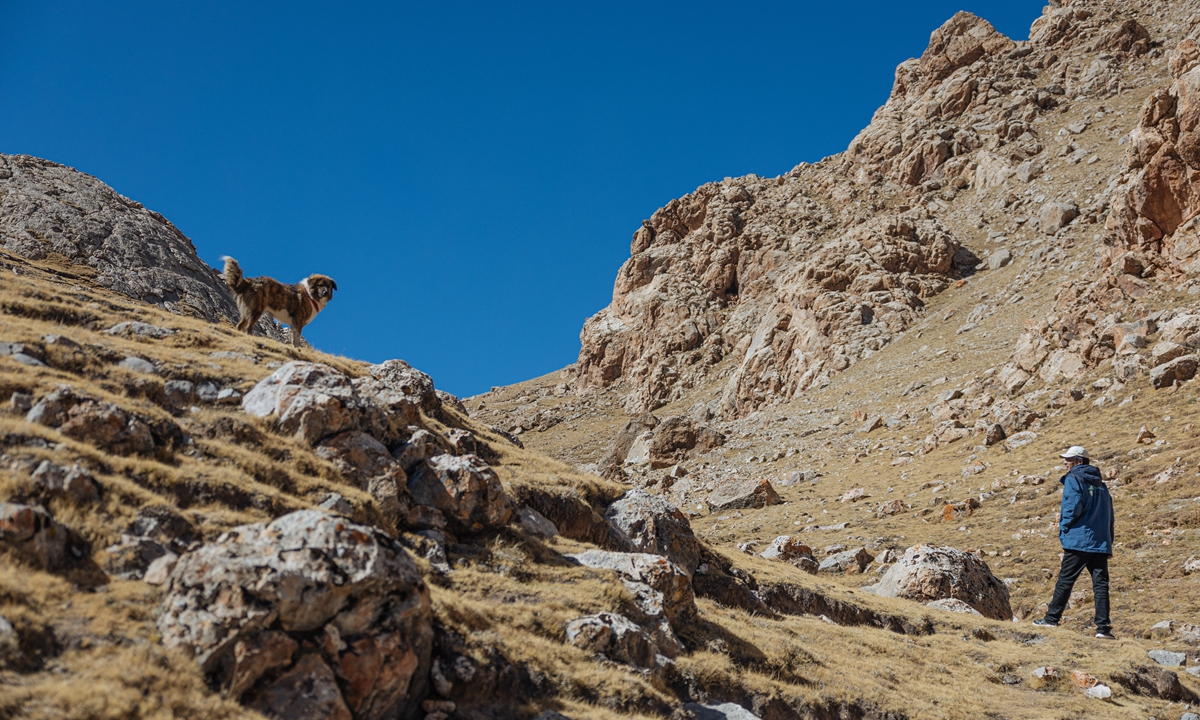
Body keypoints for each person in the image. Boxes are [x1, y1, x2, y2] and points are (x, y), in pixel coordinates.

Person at [1033, 446, 1116, 638]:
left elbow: (1072, 507)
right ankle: (1103, 629)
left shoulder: (1073, 479)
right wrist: (1108, 541)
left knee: (1065, 580)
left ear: (1079, 461)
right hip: (1100, 542)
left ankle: (1051, 619)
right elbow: (1109, 515)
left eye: (1068, 459)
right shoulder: (1101, 485)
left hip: (1079, 540)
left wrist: (1064, 529)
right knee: (1101, 584)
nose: (1065, 462)